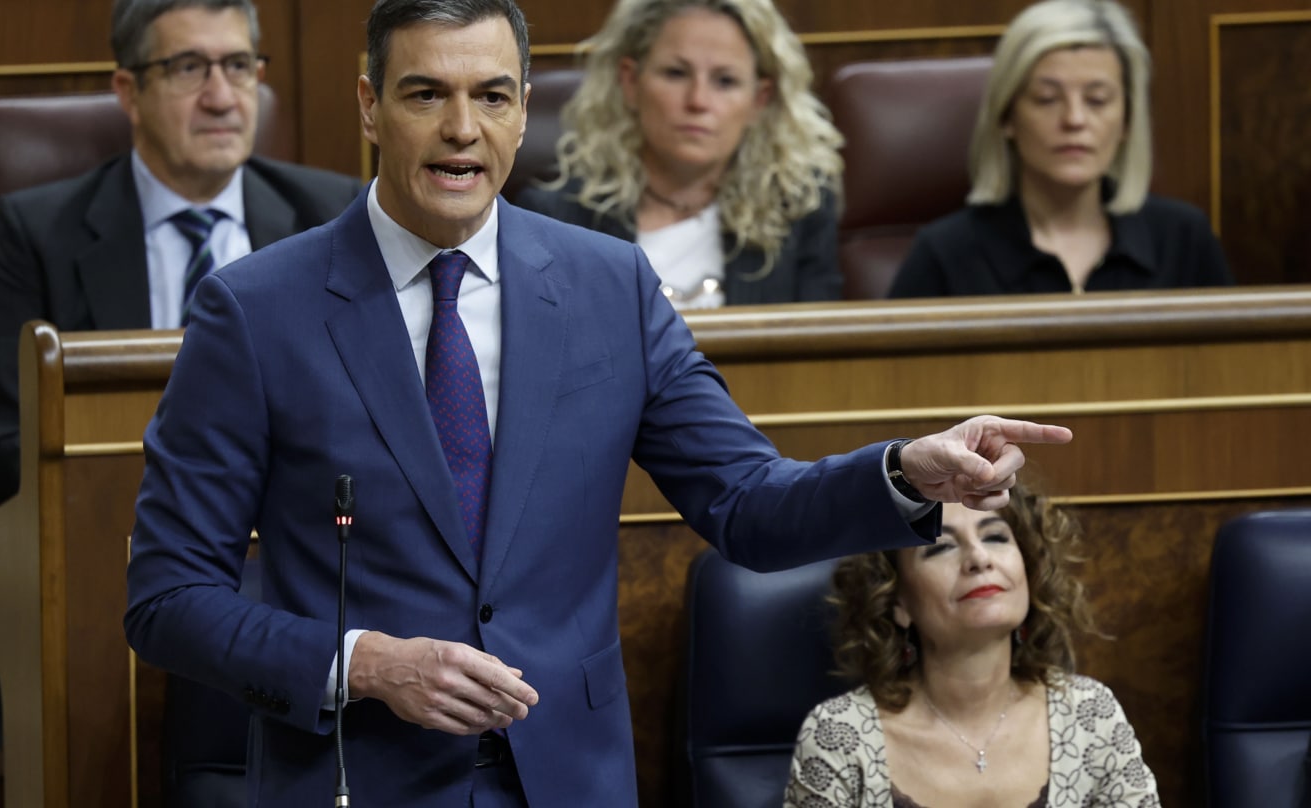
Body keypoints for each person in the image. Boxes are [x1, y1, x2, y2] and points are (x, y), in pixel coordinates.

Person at [122, 0, 1072, 804]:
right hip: (355, 773)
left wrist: (901, 471)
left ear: (526, 110)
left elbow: (745, 503)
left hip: (567, 779)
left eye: (492, 96)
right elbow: (168, 595)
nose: (463, 129)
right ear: (370, 106)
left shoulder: (608, 285)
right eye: (426, 94)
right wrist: (365, 662)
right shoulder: (254, 310)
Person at [0, 0, 363, 508]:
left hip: (294, 540)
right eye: (188, 68)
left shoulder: (334, 216)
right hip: (115, 534)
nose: (221, 98)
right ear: (129, 93)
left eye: (238, 66)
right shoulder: (38, 235)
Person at [785, 484, 1160, 807]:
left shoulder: (1090, 716)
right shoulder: (838, 734)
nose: (979, 559)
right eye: (941, 547)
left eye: (995, 537)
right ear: (897, 601)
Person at [888, 0, 1233, 299]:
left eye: (1097, 100)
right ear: (1007, 116)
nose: (1074, 119)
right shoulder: (946, 253)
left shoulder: (1184, 239)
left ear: (1127, 121)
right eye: (1046, 99)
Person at [515, 0, 843, 309]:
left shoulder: (799, 210)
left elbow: (821, 359)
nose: (698, 100)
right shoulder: (552, 218)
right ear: (630, 81)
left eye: (725, 81)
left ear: (759, 99)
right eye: (676, 73)